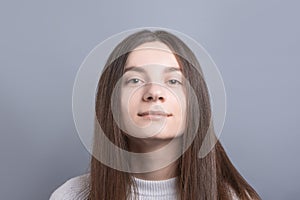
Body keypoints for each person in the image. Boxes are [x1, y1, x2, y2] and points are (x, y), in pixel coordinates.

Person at [50, 30, 261, 200]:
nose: (154, 93)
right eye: (134, 80)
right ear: (110, 102)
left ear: (195, 105)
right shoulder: (71, 196)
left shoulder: (236, 197)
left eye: (173, 81)